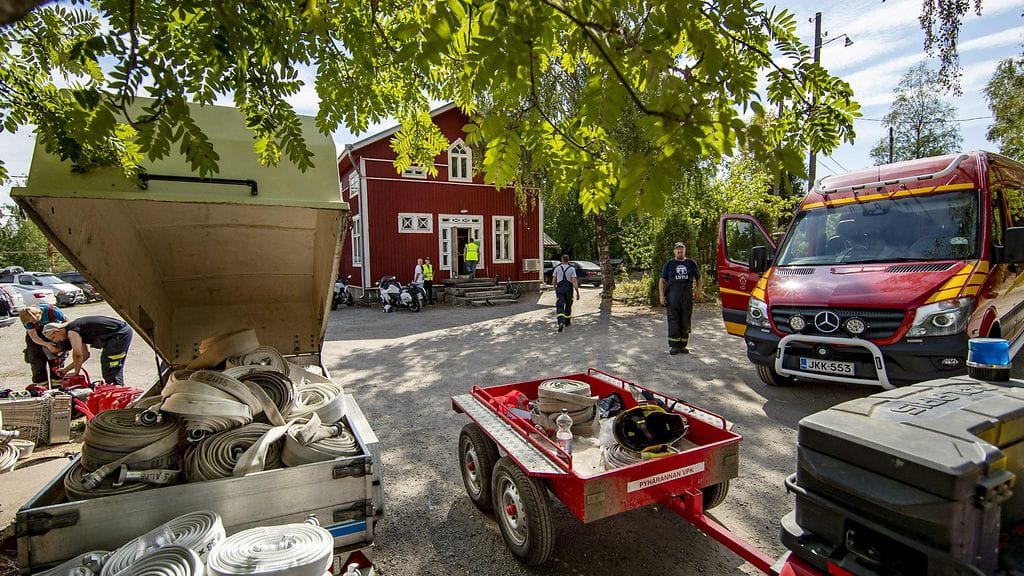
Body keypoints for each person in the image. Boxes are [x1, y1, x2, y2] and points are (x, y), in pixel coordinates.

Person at [42, 316, 133, 385]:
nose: (56, 340)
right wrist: (66, 370)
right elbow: (85, 355)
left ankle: (117, 391)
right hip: (118, 334)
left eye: (53, 337)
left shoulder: (72, 331)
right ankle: (114, 388)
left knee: (111, 365)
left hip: (119, 333)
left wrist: (76, 373)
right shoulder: (77, 329)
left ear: (56, 331)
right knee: (107, 363)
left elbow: (77, 355)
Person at [659, 242, 703, 355]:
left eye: (681, 249)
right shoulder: (669, 264)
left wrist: (698, 291)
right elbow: (662, 280)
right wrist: (661, 295)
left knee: (685, 320)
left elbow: (699, 278)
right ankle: (674, 346)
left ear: (685, 250)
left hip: (687, 296)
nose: (680, 251)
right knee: (673, 320)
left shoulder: (691, 263)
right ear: (674, 251)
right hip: (673, 297)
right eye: (677, 249)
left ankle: (683, 345)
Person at [19, 304, 67, 383]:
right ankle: (41, 383)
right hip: (37, 336)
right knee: (36, 360)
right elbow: (33, 336)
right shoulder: (26, 318)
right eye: (30, 322)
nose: (33, 322)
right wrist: (47, 344)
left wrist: (61, 342)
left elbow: (66, 323)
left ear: (38, 314)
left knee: (56, 359)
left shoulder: (52, 310)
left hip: (55, 332)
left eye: (34, 320)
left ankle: (57, 380)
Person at [552, 255, 579, 333]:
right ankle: (567, 322)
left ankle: (561, 322)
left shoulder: (557, 268)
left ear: (562, 260)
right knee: (568, 304)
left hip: (560, 289)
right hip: (569, 289)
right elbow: (574, 281)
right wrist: (577, 292)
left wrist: (555, 289)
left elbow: (554, 280)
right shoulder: (572, 269)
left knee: (560, 305)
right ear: (568, 260)